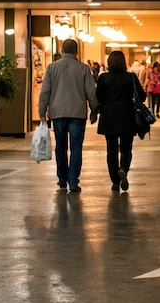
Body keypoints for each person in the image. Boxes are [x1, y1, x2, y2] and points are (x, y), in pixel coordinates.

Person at [38, 38, 99, 193]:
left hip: (57, 113)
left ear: (61, 51)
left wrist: (42, 111)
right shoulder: (84, 69)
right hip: (77, 113)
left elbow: (45, 91)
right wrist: (94, 110)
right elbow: (90, 92)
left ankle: (62, 178)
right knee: (76, 148)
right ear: (77, 51)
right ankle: (73, 181)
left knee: (60, 147)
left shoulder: (52, 68)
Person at [92, 50, 147, 193]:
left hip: (109, 117)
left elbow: (99, 97)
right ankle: (123, 169)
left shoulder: (104, 78)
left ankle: (115, 181)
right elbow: (141, 96)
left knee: (111, 150)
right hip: (128, 117)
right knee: (126, 148)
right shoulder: (131, 77)